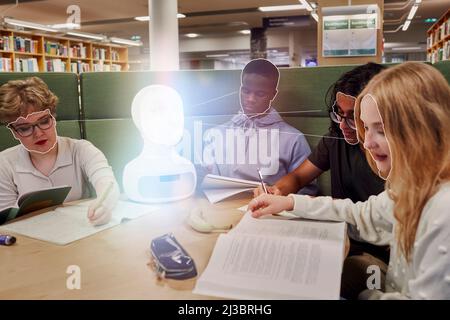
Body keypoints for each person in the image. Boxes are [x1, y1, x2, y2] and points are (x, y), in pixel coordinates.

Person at [249, 62, 450, 299]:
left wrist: (364, 295)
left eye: (381, 130)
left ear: (421, 129)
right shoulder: (413, 188)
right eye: (366, 127)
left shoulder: (442, 210)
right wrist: (289, 202)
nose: (367, 143)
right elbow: (361, 214)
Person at [254, 62, 388, 298]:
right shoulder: (334, 139)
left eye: (354, 118)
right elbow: (297, 176)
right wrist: (277, 191)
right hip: (339, 240)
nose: (344, 126)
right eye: (339, 114)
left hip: (376, 255)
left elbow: (370, 217)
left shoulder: (387, 155)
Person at [0, 77, 119, 226]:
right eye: (25, 128)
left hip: (81, 237)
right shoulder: (4, 163)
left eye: (44, 121)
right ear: (14, 132)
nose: (38, 133)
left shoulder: (81, 149)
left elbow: (107, 183)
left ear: (54, 118)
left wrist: (104, 205)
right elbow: (6, 223)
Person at [199, 58, 317, 195]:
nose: (250, 99)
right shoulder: (218, 133)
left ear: (273, 94)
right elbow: (209, 184)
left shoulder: (293, 139)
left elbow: (306, 191)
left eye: (260, 94)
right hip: (222, 209)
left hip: (271, 213)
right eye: (246, 91)